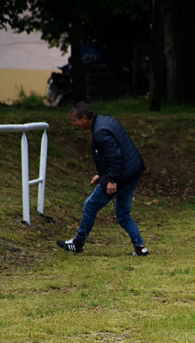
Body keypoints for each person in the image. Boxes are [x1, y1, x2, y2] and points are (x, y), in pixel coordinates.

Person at [57, 102, 149, 257]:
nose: (74, 124)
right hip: (133, 173)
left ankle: (78, 243)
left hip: (122, 176)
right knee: (123, 214)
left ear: (84, 118)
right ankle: (140, 247)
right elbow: (116, 151)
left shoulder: (100, 132)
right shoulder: (105, 121)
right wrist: (102, 175)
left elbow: (115, 156)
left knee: (90, 206)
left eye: (75, 121)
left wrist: (112, 179)